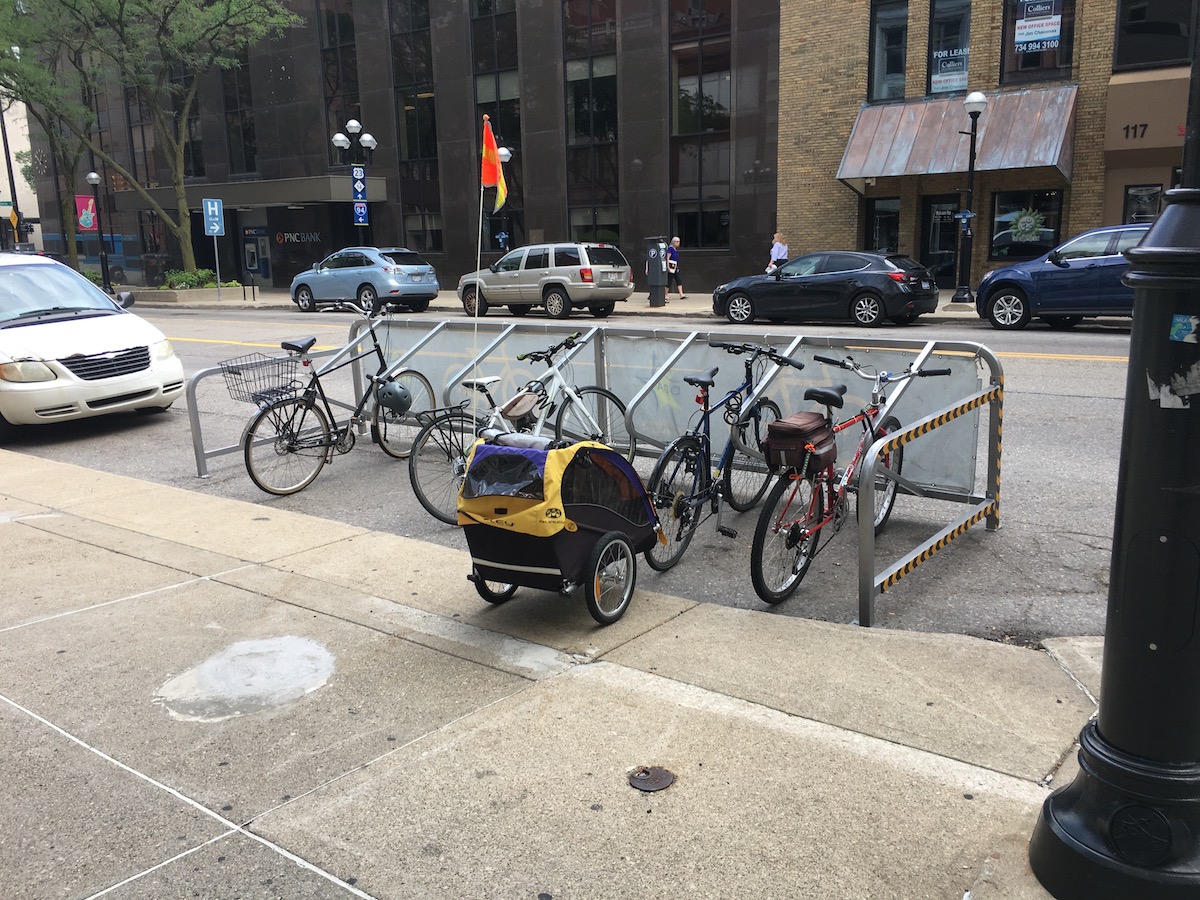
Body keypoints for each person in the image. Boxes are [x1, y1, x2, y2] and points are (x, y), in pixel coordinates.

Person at [666, 236, 684, 300]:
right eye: (677, 241)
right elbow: (668, 257)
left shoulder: (675, 249)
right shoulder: (670, 248)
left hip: (675, 266)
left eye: (679, 241)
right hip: (671, 266)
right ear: (674, 242)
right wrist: (668, 266)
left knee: (678, 280)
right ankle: (666, 294)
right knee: (669, 281)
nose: (678, 243)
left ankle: (681, 294)